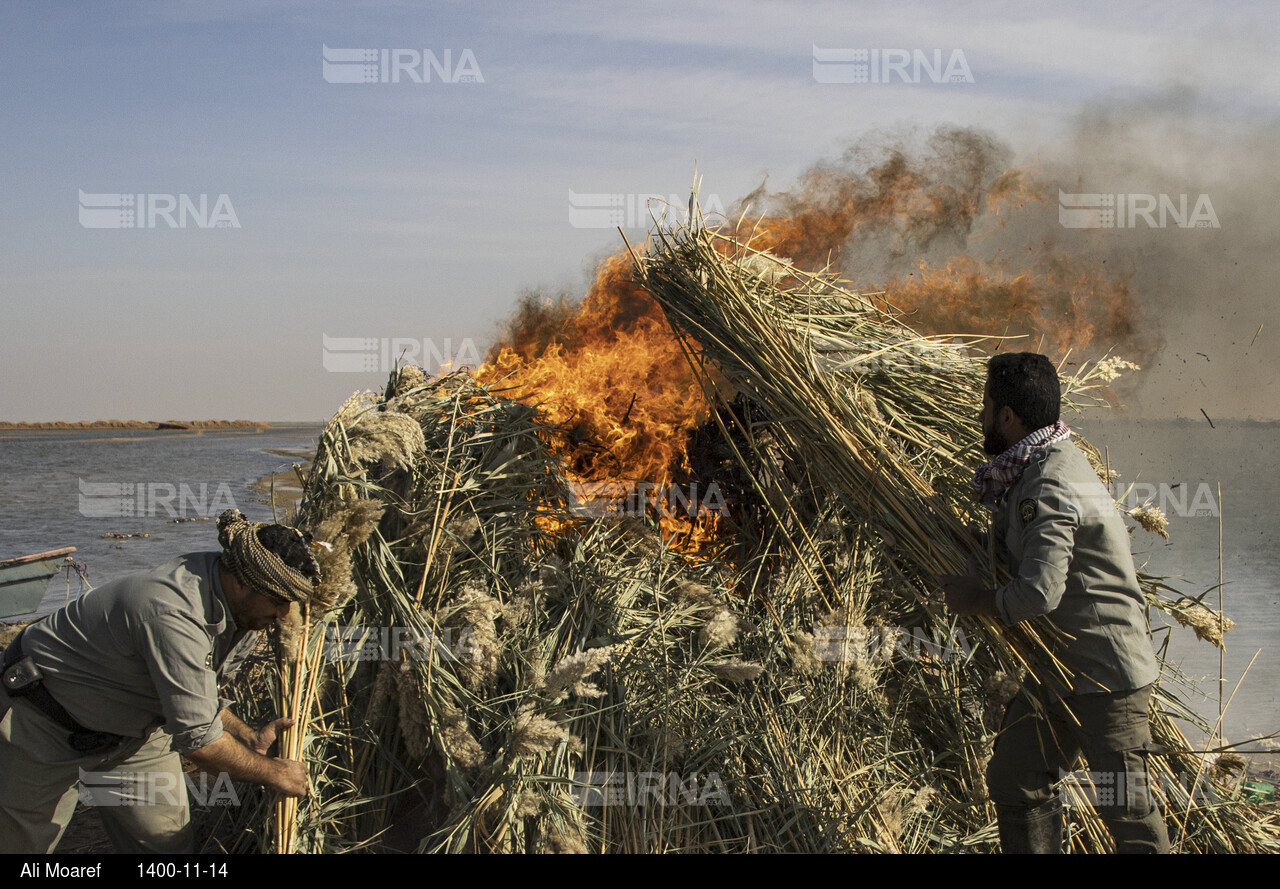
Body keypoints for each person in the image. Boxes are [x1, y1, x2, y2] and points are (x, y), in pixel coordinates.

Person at [940, 352, 1169, 854]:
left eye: (986, 406)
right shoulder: (1037, 466)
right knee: (1015, 778)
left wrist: (977, 599)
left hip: (1104, 677)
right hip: (1060, 672)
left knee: (1126, 811)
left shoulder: (1049, 481)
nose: (980, 416)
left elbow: (1041, 590)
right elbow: (1025, 550)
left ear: (1008, 417)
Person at [0, 509, 319, 853]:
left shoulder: (247, 613)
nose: (284, 614)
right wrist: (274, 772)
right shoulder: (173, 612)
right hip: (44, 725)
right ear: (241, 581)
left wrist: (246, 735)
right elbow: (201, 743)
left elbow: (195, 694)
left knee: (165, 851)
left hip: (133, 737)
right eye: (277, 600)